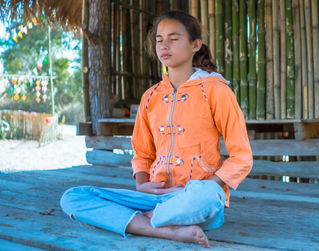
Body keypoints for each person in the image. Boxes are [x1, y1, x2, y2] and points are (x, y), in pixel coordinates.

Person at [60, 10, 252, 248]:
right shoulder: (151, 97)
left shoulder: (215, 90)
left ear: (195, 45)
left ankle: (140, 223)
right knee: (73, 197)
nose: (164, 45)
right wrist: (142, 184)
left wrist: (208, 185)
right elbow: (142, 153)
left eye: (174, 38)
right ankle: (168, 230)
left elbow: (241, 157)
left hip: (194, 200)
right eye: (159, 39)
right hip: (151, 199)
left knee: (209, 196)